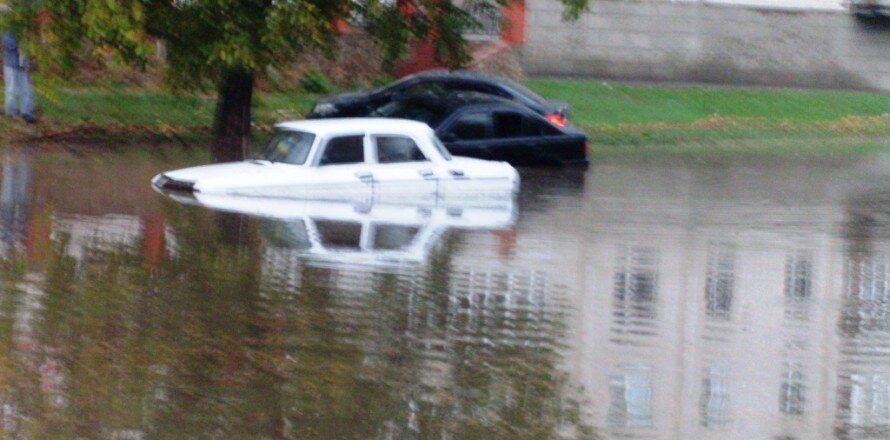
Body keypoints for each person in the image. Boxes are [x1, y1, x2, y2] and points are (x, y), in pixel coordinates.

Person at [2, 31, 35, 123]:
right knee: (11, 90)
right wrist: (20, 43)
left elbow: (30, 46)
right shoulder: (7, 28)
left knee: (26, 90)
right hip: (11, 64)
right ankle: (10, 112)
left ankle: (26, 113)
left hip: (23, 65)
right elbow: (8, 44)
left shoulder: (25, 28)